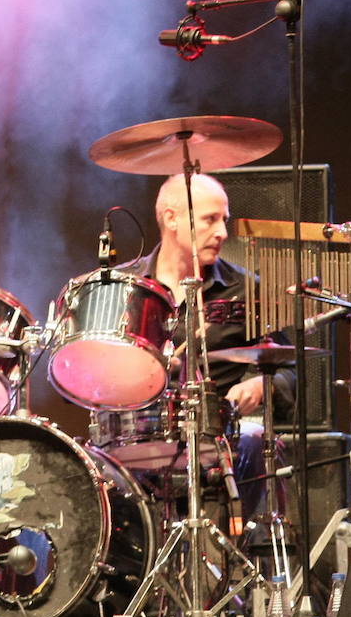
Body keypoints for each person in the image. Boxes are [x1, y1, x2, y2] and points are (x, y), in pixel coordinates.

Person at [116, 172, 292, 519]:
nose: (223, 233)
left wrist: (262, 384)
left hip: (220, 438)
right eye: (211, 220)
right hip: (135, 435)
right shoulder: (124, 288)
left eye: (224, 220)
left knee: (257, 438)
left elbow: (289, 370)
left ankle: (221, 561)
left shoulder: (246, 291)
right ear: (171, 218)